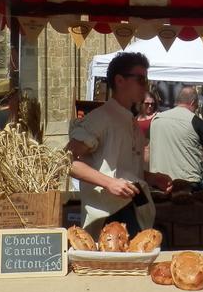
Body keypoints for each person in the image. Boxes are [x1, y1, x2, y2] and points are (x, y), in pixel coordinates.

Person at [66, 52, 171, 233]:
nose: (145, 86)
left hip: (133, 207)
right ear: (120, 81)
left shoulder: (130, 121)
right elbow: (66, 161)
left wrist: (151, 178)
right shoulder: (99, 118)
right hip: (108, 214)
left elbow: (122, 168)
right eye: (140, 79)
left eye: (146, 80)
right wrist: (109, 183)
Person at [148, 85, 203, 186]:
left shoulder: (156, 119)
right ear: (193, 102)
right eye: (196, 106)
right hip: (186, 183)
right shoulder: (196, 121)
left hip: (158, 183)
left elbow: (146, 150)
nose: (196, 109)